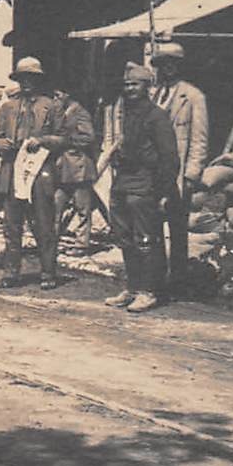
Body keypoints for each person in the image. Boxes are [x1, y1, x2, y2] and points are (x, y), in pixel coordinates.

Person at [104, 63, 181, 314]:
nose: (129, 89)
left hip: (145, 184)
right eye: (126, 85)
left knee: (146, 239)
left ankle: (150, 291)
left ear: (147, 87)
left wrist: (163, 192)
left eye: (135, 84)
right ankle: (133, 287)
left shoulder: (156, 116)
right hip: (124, 183)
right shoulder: (128, 113)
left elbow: (169, 158)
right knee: (125, 239)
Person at [0, 58, 64, 290]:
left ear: (38, 80)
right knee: (12, 226)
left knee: (43, 224)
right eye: (22, 78)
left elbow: (63, 139)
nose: (26, 83)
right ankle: (11, 272)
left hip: (38, 172)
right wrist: (4, 145)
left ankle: (48, 273)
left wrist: (41, 141)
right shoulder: (8, 108)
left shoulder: (51, 106)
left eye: (31, 78)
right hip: (12, 171)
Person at [152, 43, 209, 293]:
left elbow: (200, 139)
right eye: (163, 63)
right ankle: (156, 278)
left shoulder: (193, 96)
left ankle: (178, 280)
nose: (168, 68)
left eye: (172, 63)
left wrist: (191, 174)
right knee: (152, 227)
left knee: (177, 228)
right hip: (153, 171)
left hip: (178, 172)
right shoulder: (154, 94)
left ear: (179, 66)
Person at [52, 89, 101, 254]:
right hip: (63, 168)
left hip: (80, 166)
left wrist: (66, 141)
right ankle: (51, 241)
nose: (55, 99)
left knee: (82, 208)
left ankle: (82, 244)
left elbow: (89, 137)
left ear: (68, 94)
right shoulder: (60, 112)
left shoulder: (80, 112)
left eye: (58, 95)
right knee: (56, 205)